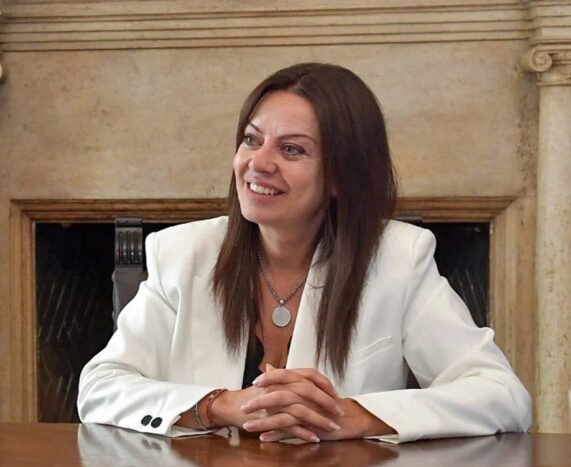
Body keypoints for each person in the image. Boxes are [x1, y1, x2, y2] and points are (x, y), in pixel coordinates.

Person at [77, 62, 531, 443]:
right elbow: (100, 386)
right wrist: (221, 405)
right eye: (252, 140)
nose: (258, 163)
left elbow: (501, 394)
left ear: (340, 176)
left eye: (291, 149)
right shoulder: (183, 253)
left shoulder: (398, 258)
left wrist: (352, 415)